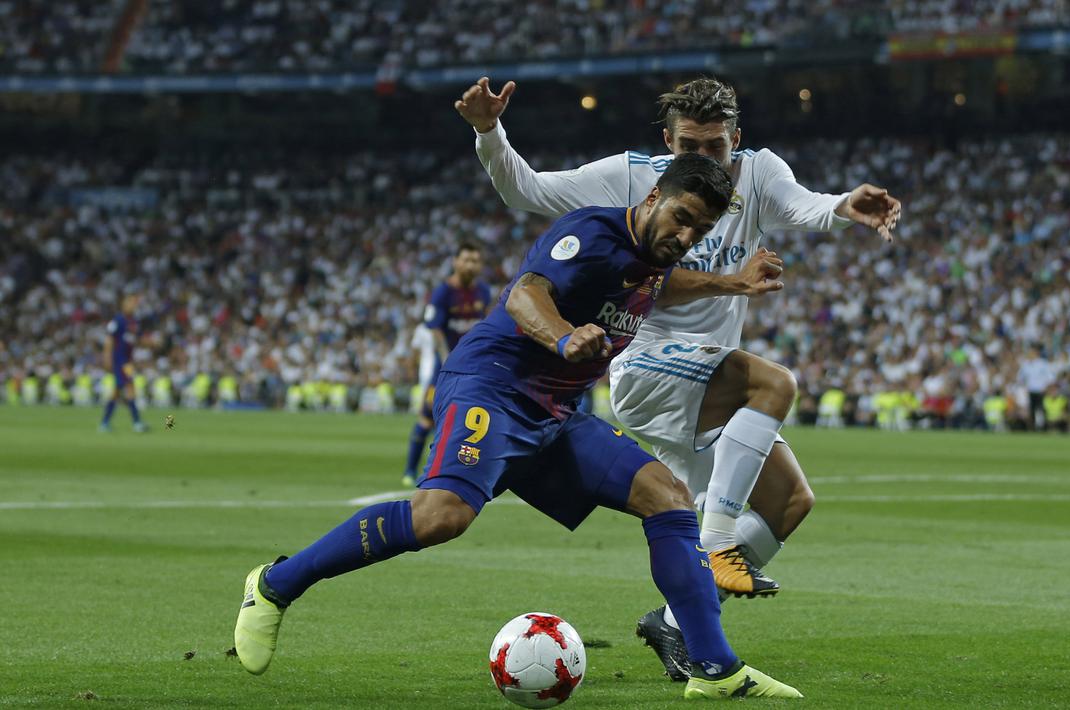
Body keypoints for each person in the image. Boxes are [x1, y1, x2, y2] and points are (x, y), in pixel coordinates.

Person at [234, 154, 803, 700]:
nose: (685, 236)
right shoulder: (592, 232)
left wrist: (733, 283)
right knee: (440, 517)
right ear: (654, 197)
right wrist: (562, 336)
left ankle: (715, 669)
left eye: (700, 230)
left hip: (556, 414)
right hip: (493, 387)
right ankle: (274, 585)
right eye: (681, 217)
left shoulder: (654, 258)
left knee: (668, 496)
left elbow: (664, 285)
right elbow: (525, 294)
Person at [455, 75, 900, 679]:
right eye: (690, 146)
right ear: (668, 143)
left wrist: (846, 206)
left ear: (735, 139)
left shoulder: (759, 173)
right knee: (774, 384)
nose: (705, 159)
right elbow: (526, 189)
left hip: (709, 380)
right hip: (647, 364)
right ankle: (716, 545)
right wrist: (489, 130)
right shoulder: (634, 177)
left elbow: (807, 206)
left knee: (790, 501)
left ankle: (674, 622)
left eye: (716, 147)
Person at [403, 243, 492, 485]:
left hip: (474, 368)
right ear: (455, 262)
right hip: (445, 368)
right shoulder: (442, 293)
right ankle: (409, 471)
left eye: (475, 261)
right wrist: (447, 356)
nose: (471, 265)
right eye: (466, 260)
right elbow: (434, 329)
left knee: (469, 419)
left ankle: (457, 471)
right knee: (427, 417)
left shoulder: (483, 291)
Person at [99, 294, 147, 433]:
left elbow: (137, 339)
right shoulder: (118, 320)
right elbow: (109, 340)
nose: (132, 305)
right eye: (129, 303)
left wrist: (151, 342)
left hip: (127, 362)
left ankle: (105, 423)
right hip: (120, 361)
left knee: (117, 391)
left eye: (133, 303)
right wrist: (107, 358)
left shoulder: (134, 322)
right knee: (129, 387)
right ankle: (136, 422)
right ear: (123, 305)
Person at [1017, 346, 1054, 431]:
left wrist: (1047, 387)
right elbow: (1020, 377)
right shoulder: (1026, 364)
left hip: (1041, 390)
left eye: (1031, 353)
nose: (1030, 355)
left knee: (1042, 409)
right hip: (1031, 390)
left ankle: (1044, 427)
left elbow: (1050, 377)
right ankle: (1032, 428)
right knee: (1032, 410)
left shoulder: (1043, 363)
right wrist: (1024, 386)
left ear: (1036, 353)